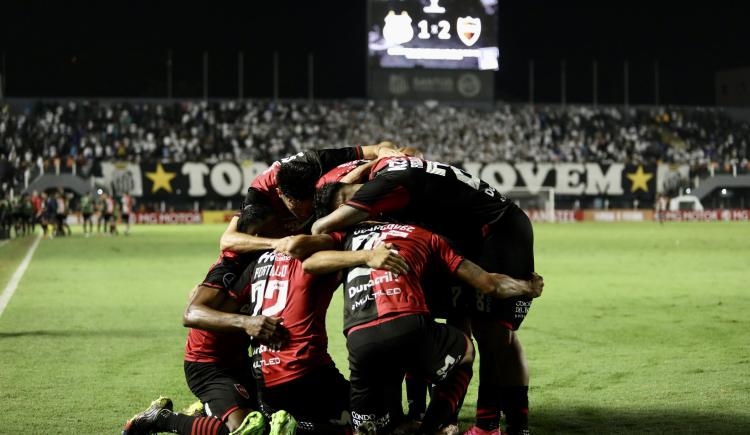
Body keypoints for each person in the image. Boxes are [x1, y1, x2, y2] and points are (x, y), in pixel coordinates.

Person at [312, 156, 538, 435]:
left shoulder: (381, 188)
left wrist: (353, 246)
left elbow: (319, 228)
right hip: (468, 237)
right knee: (460, 322)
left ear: (344, 205)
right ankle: (451, 419)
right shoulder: (387, 167)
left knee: (493, 332)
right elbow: (393, 152)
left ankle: (488, 427)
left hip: (498, 231)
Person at [123, 249, 290, 435]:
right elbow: (192, 309)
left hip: (242, 362)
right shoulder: (237, 269)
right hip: (208, 365)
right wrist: (246, 322)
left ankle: (204, 412)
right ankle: (162, 418)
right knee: (245, 429)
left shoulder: (278, 267)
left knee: (279, 418)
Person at [219, 143, 398, 256]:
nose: (305, 214)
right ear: (280, 194)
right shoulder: (259, 194)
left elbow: (376, 148)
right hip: (277, 250)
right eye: (297, 208)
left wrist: (385, 151)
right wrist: (277, 243)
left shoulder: (317, 162)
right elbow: (227, 240)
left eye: (309, 205)